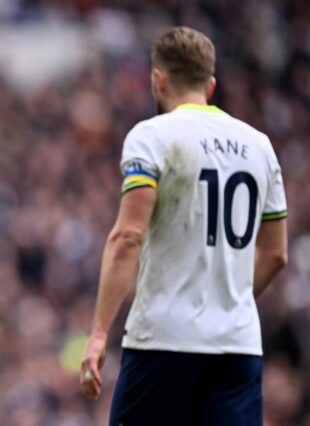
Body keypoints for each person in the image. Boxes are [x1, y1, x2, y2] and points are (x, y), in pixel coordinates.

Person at [80, 26, 288, 425]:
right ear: (210, 85)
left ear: (158, 79)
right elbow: (275, 253)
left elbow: (128, 236)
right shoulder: (259, 145)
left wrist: (99, 333)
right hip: (238, 346)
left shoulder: (152, 136)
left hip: (164, 340)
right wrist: (228, 299)